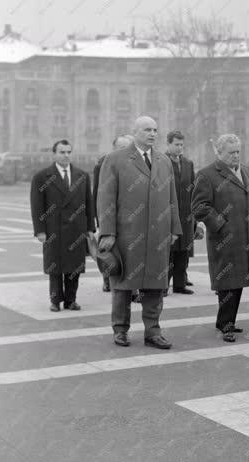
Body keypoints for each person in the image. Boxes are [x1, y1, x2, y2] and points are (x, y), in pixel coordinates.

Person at [97, 116, 182, 349]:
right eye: (147, 130)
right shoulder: (115, 160)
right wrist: (107, 232)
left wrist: (175, 227)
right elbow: (105, 199)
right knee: (123, 284)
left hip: (157, 235)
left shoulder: (164, 161)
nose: (152, 134)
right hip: (126, 234)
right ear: (135, 132)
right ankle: (120, 330)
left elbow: (172, 197)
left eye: (155, 129)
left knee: (155, 285)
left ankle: (153, 332)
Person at [191, 134, 249, 342]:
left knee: (239, 281)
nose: (236, 156)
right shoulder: (207, 175)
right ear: (219, 153)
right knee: (227, 281)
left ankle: (226, 320)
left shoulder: (246, 172)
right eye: (231, 152)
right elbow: (199, 207)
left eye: (238, 151)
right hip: (225, 239)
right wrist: (221, 224)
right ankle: (226, 324)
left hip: (246, 237)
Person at [30, 139, 95, 312]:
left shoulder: (82, 176)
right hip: (54, 230)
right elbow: (36, 206)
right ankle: (55, 300)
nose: (66, 155)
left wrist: (90, 228)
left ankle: (71, 300)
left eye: (68, 152)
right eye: (62, 152)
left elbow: (89, 204)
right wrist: (40, 231)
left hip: (77, 230)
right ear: (54, 154)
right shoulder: (41, 177)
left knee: (74, 267)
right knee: (55, 267)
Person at [93, 134, 134, 292]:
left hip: (130, 218)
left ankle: (132, 287)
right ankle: (107, 278)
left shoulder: (137, 164)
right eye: (121, 147)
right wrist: (99, 221)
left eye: (128, 147)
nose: (125, 151)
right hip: (109, 217)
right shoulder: (103, 164)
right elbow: (98, 193)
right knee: (109, 252)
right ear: (114, 148)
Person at [165, 130, 201, 296]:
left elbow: (193, 189)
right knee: (168, 253)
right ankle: (163, 286)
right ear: (168, 144)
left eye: (181, 145)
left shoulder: (188, 163)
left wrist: (195, 217)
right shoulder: (161, 162)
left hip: (186, 216)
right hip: (168, 215)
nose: (179, 148)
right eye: (176, 144)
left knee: (183, 252)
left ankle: (180, 284)